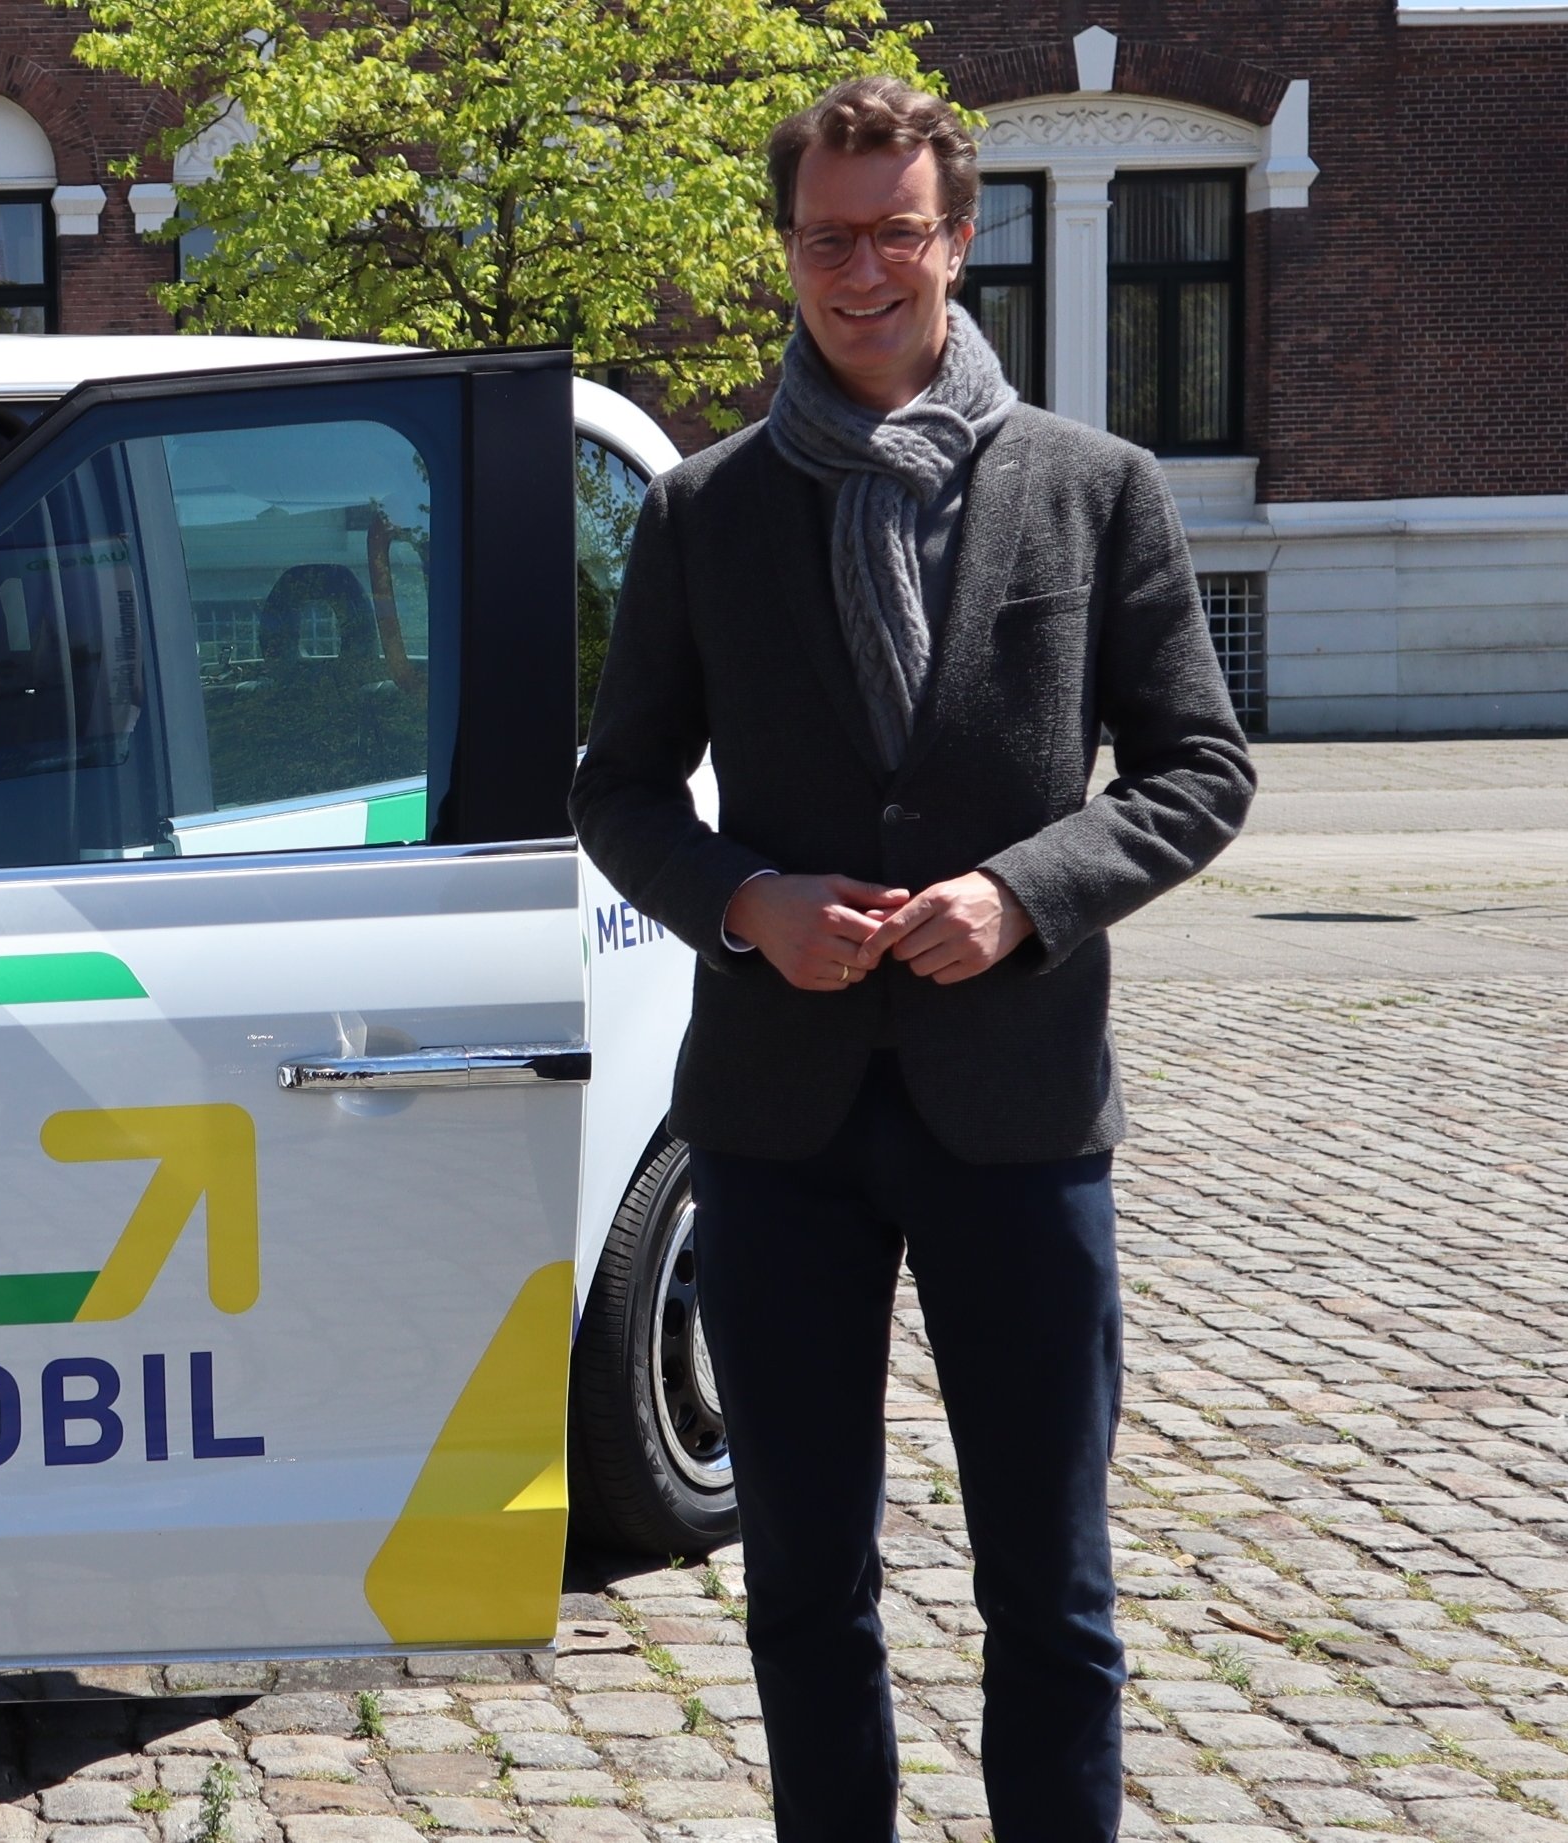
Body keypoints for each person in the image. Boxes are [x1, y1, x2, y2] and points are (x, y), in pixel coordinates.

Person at [572, 76, 1254, 1842]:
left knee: (1054, 1586)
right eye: (826, 235)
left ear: (960, 240)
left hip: (1016, 1107)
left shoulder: (1094, 491)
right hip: (777, 1123)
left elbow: (1198, 767)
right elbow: (621, 787)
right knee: (803, 1581)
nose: (859, 268)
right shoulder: (704, 511)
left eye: (896, 231)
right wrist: (744, 904)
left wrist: (1026, 890)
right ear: (789, 247)